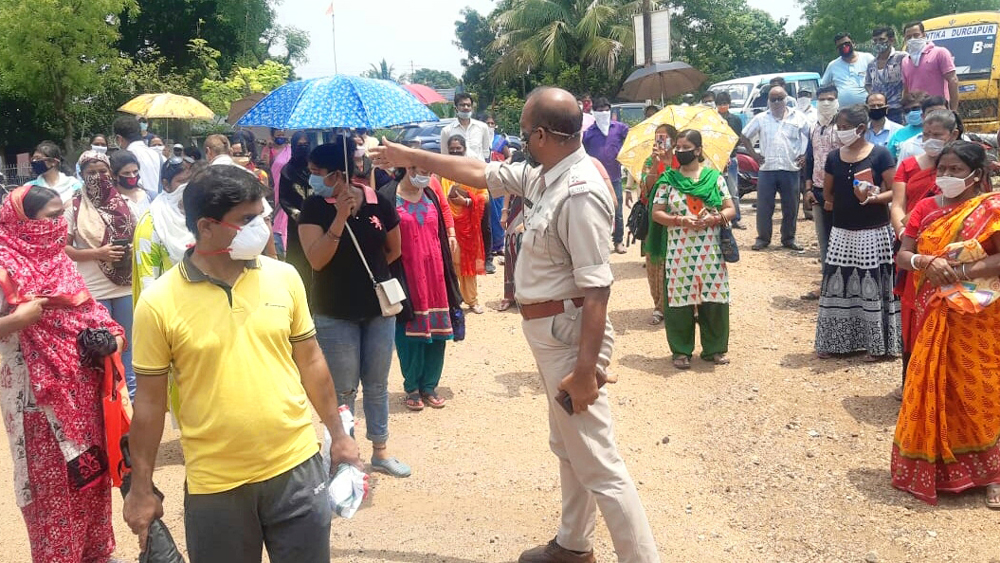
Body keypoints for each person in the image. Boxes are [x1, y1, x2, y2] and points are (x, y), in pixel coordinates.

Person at [371, 86, 660, 563]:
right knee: (569, 447)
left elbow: (597, 290)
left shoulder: (580, 190)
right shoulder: (545, 174)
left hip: (570, 335)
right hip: (552, 333)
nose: (523, 141)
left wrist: (587, 369)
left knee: (601, 463)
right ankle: (573, 543)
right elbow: (481, 173)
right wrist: (408, 154)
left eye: (526, 134)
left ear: (542, 134)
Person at [124, 164, 362, 561]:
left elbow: (311, 360)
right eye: (247, 220)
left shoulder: (284, 278)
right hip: (216, 484)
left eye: (262, 215)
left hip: (297, 470)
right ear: (206, 226)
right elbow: (148, 404)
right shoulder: (158, 303)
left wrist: (339, 434)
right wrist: (142, 488)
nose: (261, 227)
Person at [0, 184, 126, 563]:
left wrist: (111, 340)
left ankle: (95, 555)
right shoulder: (4, 267)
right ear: (21, 222)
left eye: (62, 216)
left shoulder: (60, 262)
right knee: (52, 493)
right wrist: (14, 321)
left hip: (85, 397)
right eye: (51, 217)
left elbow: (94, 316)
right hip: (37, 407)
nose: (60, 226)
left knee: (89, 481)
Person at [891, 140, 1000, 507]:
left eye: (956, 170)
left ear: (977, 175)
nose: (947, 176)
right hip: (934, 307)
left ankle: (993, 474)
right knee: (936, 381)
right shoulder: (925, 207)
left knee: (981, 385)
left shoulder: (991, 208)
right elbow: (903, 255)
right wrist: (925, 262)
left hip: (979, 315)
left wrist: (961, 270)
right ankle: (938, 467)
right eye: (943, 170)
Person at [296, 138, 409, 478]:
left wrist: (368, 277)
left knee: (376, 383)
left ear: (338, 172)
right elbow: (316, 260)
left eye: (317, 172)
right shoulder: (313, 209)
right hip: (334, 311)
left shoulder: (378, 203)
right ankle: (347, 455)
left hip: (377, 309)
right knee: (343, 388)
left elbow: (393, 251)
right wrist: (339, 218)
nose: (312, 177)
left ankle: (380, 450)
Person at [815, 104, 901, 360]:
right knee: (838, 284)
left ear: (860, 128)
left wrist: (873, 199)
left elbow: (895, 190)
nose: (840, 132)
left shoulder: (881, 154)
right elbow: (828, 194)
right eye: (838, 128)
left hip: (874, 232)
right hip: (842, 231)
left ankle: (877, 346)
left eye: (844, 128)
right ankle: (837, 342)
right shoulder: (833, 158)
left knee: (872, 283)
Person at [650, 130, 737, 369]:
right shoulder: (668, 180)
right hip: (680, 251)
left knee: (715, 297)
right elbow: (657, 214)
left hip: (710, 250)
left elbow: (731, 209)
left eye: (685, 146)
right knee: (679, 300)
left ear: (698, 150)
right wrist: (680, 221)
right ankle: (680, 351)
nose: (679, 151)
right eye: (677, 146)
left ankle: (715, 349)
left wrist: (715, 218)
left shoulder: (714, 178)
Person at [890, 110, 960, 389]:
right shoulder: (908, 165)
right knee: (912, 315)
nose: (930, 140)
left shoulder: (964, 168)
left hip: (952, 256)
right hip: (913, 250)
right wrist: (905, 233)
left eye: (937, 136)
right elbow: (898, 204)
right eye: (926, 135)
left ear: (952, 135)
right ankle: (913, 383)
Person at [65, 150, 138, 398]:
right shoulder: (74, 206)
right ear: (82, 175)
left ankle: (131, 405)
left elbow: (140, 237)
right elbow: (64, 248)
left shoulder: (126, 204)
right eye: (91, 172)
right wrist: (98, 253)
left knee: (127, 345)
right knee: (102, 348)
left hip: (126, 285)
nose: (98, 176)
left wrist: (128, 248)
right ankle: (107, 401)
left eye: (102, 171)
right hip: (94, 289)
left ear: (111, 172)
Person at [392, 159, 461, 411]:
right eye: (420, 171)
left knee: (438, 330)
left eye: (428, 171)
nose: (424, 176)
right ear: (406, 168)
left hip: (435, 274)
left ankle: (430, 385)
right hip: (406, 273)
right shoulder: (389, 196)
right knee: (409, 331)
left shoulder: (431, 192)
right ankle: (411, 387)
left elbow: (443, 222)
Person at [742, 86, 811, 251]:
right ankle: (763, 239)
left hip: (791, 168)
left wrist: (805, 155)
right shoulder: (761, 118)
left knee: (791, 207)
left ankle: (788, 238)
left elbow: (811, 137)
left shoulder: (799, 117)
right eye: (773, 99)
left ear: (786, 98)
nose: (777, 102)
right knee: (764, 207)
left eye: (780, 98)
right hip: (767, 169)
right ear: (768, 101)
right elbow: (744, 136)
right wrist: (754, 155)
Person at [133, 160, 202, 301]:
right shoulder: (152, 223)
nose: (187, 186)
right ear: (166, 185)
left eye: (190, 180)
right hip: (171, 304)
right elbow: (147, 277)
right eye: (181, 181)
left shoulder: (202, 215)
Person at [444, 135, 490, 314]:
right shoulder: (443, 171)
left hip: (469, 226)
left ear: (464, 148)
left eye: (458, 148)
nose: (455, 150)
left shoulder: (473, 170)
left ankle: (472, 300)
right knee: (453, 263)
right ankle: (454, 300)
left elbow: (484, 196)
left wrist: (468, 202)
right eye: (452, 148)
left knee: (469, 265)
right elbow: (439, 195)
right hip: (451, 224)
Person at [640, 124, 679, 324]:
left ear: (673, 139)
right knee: (655, 262)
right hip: (655, 220)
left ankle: (681, 305)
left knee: (676, 261)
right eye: (657, 137)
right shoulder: (650, 160)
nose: (660, 141)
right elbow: (646, 190)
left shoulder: (681, 159)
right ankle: (659, 306)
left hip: (678, 218)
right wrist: (656, 165)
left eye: (664, 137)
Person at [804, 85, 843, 281]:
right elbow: (809, 159)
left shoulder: (843, 128)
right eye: (822, 100)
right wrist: (808, 188)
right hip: (818, 192)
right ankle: (827, 283)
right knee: (824, 240)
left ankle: (842, 282)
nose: (826, 103)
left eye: (830, 99)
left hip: (840, 194)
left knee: (841, 239)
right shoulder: (814, 128)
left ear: (837, 101)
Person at [583, 96, 630, 254]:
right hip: (594, 178)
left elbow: (630, 141)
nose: (603, 113)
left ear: (610, 110)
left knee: (617, 211)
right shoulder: (588, 133)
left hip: (615, 176)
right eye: (599, 110)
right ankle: (598, 242)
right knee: (595, 210)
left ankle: (618, 241)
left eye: (606, 110)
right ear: (594, 112)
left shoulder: (620, 128)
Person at [279, 132, 315, 300]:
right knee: (300, 263)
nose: (303, 148)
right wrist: (295, 213)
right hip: (297, 224)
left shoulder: (317, 168)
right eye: (299, 145)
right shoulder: (287, 171)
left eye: (306, 144)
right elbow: (283, 197)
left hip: (318, 221)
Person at [902, 21, 959, 111]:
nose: (912, 39)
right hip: (916, 111)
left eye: (916, 35)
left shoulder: (939, 53)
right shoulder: (905, 61)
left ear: (924, 35)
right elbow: (906, 89)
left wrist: (953, 110)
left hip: (938, 109)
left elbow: (953, 80)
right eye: (909, 37)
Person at [715, 92, 748, 230]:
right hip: (716, 158)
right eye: (720, 103)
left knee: (733, 191)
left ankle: (735, 218)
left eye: (725, 103)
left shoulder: (735, 120)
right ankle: (719, 217)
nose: (723, 106)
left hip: (731, 158)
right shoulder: (713, 119)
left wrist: (728, 153)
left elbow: (737, 139)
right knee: (716, 189)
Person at [113, 116, 163, 200]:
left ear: (119, 139)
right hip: (158, 206)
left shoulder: (124, 159)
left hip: (136, 204)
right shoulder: (160, 156)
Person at [821, 32, 876, 107]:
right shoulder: (833, 65)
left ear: (853, 43)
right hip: (844, 113)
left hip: (868, 109)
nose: (844, 46)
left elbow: (880, 79)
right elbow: (823, 87)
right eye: (840, 46)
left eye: (846, 43)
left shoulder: (867, 58)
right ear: (837, 49)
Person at [866, 26, 908, 124]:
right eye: (875, 41)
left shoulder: (902, 58)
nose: (878, 43)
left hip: (897, 109)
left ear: (891, 40)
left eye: (881, 39)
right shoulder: (872, 64)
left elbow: (909, 80)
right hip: (878, 110)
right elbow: (868, 84)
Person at [896, 96, 950, 162]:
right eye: (931, 113)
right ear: (923, 116)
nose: (937, 116)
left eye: (941, 112)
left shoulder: (961, 142)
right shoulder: (909, 146)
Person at [440, 93, 491, 162]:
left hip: (478, 169)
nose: (466, 108)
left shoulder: (482, 127)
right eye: (462, 105)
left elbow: (486, 153)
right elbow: (445, 156)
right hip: (457, 170)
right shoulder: (447, 131)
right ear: (456, 108)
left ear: (472, 108)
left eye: (468, 105)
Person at [28, 141, 81, 205]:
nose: (34, 161)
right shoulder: (29, 187)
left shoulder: (74, 185)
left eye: (38, 158)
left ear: (54, 162)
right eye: (33, 159)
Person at [268, 129, 292, 259]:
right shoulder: (269, 152)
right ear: (272, 136)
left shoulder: (291, 150)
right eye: (278, 136)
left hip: (288, 186)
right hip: (275, 189)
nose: (281, 138)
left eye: (283, 135)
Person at [110, 150, 152, 220]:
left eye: (135, 172)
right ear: (114, 175)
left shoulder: (149, 196)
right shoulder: (112, 201)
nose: (132, 176)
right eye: (126, 173)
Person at [886, 91, 929, 159]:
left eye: (915, 108)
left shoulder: (936, 131)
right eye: (907, 110)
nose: (911, 113)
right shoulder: (898, 134)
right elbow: (889, 160)